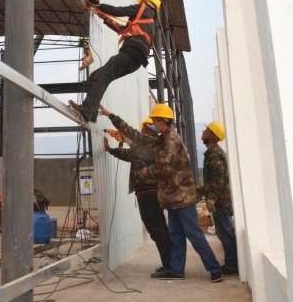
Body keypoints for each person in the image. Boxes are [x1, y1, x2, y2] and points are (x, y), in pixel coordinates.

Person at [137, 104, 223, 283]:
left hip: (182, 198)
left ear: (163, 122)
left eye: (155, 121)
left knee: (193, 234)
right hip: (173, 198)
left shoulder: (171, 140)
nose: (153, 124)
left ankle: (214, 269)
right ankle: (176, 270)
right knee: (176, 235)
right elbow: (148, 140)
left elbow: (165, 167)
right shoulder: (165, 137)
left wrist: (145, 173)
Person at [68, 0, 160, 122]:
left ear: (146, 2)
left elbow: (118, 11)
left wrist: (98, 6)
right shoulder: (149, 24)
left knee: (102, 77)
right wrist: (106, 19)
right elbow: (122, 30)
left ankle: (87, 111)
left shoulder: (142, 8)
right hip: (135, 61)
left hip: (131, 53)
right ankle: (91, 113)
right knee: (96, 76)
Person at [102, 109, 171, 272]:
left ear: (149, 129)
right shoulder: (148, 146)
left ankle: (170, 265)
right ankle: (169, 264)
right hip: (146, 192)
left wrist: (111, 116)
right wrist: (112, 149)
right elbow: (130, 154)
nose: (141, 132)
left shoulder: (152, 144)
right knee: (157, 229)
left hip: (149, 192)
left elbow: (132, 148)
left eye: (145, 128)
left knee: (157, 229)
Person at [199, 122, 238, 276]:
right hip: (220, 199)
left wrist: (212, 199)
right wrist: (200, 190)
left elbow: (218, 180)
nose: (203, 131)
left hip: (220, 201)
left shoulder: (215, 154)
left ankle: (232, 265)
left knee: (225, 233)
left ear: (213, 136)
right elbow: (212, 181)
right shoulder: (212, 152)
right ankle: (231, 264)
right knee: (224, 232)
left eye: (207, 130)